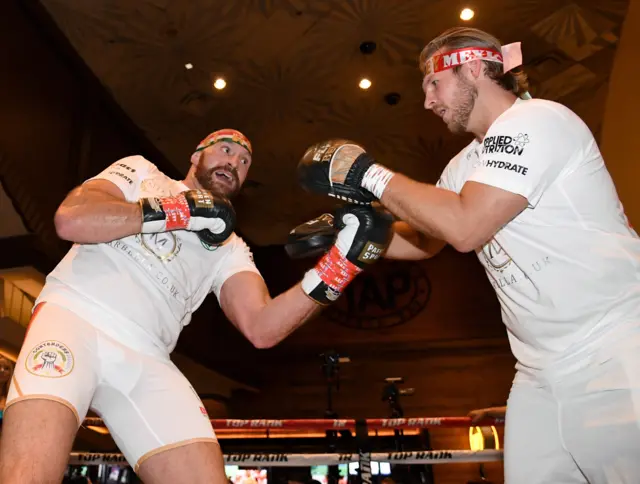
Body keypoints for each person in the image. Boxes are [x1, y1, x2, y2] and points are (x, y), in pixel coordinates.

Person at [296, 26, 640, 484]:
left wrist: (365, 172)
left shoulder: (537, 121)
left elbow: (464, 225)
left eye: (433, 84)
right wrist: (350, 231)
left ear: (474, 69)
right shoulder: (463, 165)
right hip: (537, 371)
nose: (427, 101)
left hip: (614, 347)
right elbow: (427, 238)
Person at [0, 128, 393, 484]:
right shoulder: (141, 173)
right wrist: (179, 211)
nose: (234, 163)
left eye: (243, 163)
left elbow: (262, 327)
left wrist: (339, 266)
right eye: (225, 150)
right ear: (196, 155)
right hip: (73, 320)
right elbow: (72, 220)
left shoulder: (228, 245)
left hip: (148, 357)